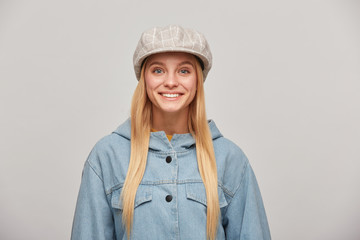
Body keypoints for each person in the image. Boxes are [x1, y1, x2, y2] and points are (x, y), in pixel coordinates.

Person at [71, 25, 271, 240]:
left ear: (198, 81)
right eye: (158, 70)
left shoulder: (230, 159)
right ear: (144, 79)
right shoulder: (106, 156)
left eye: (184, 71)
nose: (171, 82)